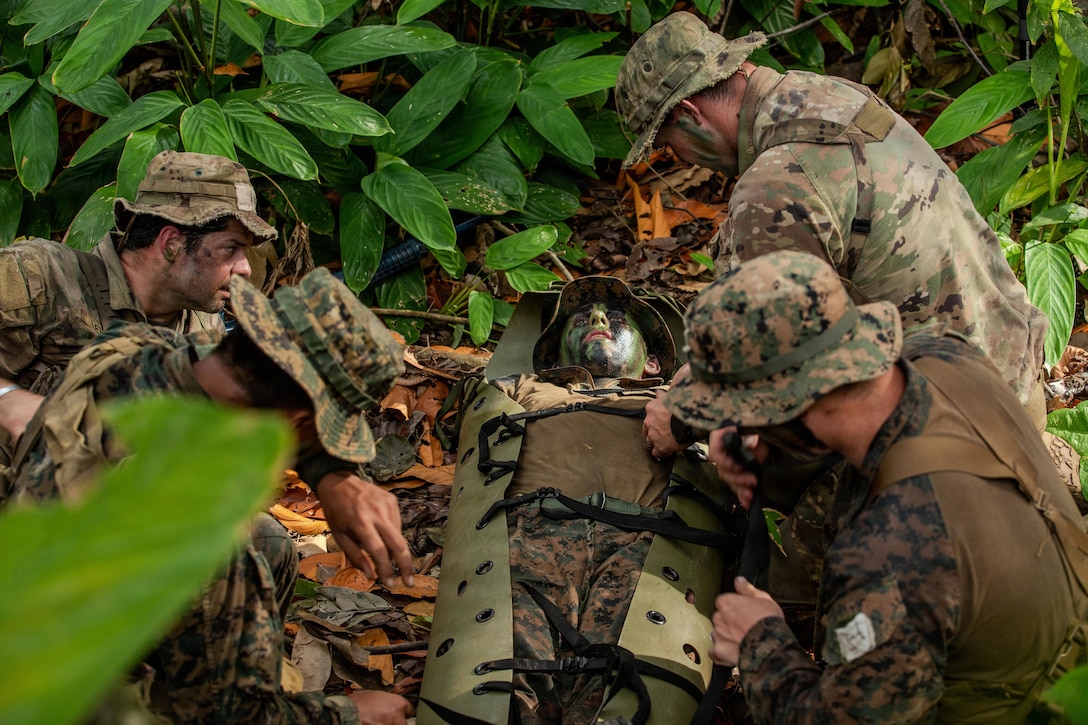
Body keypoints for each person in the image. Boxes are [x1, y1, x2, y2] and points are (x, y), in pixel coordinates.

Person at [613, 12, 1055, 470]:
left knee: (766, 495)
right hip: (1013, 381)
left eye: (668, 146)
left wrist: (681, 417)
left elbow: (771, 380)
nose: (680, 159)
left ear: (690, 115)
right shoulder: (825, 95)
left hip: (953, 445)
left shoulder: (774, 188)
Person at [664, 249, 1088, 723]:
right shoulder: (943, 354)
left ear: (783, 408)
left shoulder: (889, 554)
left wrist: (759, 641)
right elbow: (863, 428)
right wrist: (776, 453)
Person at [4, 268, 415, 724]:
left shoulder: (123, 353)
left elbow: (213, 365)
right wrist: (351, 714)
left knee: (272, 543)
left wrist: (333, 475)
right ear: (298, 424)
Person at [419, 276, 738, 725]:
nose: (599, 320)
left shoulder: (687, 406)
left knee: (628, 690)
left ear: (652, 365)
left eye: (616, 319)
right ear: (554, 357)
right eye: (582, 319)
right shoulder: (523, 389)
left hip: (648, 547)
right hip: (527, 537)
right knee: (500, 689)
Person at [0, 150, 270, 446]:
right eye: (230, 248)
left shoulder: (204, 331)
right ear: (172, 243)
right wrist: (9, 400)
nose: (245, 268)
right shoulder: (41, 277)